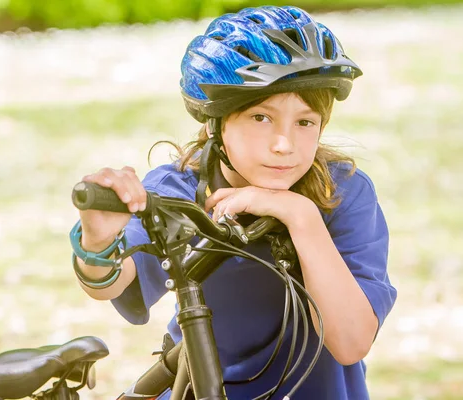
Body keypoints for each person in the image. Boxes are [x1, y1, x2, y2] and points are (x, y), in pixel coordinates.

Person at [69, 5, 397, 399]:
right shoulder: (180, 189)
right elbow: (112, 282)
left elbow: (350, 342)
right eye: (261, 118)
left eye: (305, 122)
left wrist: (301, 216)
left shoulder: (343, 194)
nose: (284, 145)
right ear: (216, 123)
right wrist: (98, 241)